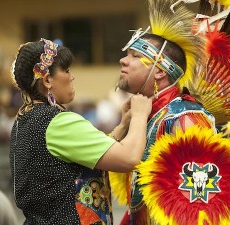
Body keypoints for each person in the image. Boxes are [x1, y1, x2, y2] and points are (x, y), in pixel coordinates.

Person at [9, 38, 152, 224]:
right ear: (47, 80)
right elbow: (129, 158)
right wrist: (140, 115)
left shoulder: (24, 120)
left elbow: (90, 155)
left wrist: (123, 125)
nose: (72, 77)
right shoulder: (58, 122)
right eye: (66, 70)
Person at [114, 1, 216, 223]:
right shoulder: (146, 115)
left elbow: (200, 203)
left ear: (159, 70)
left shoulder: (186, 118)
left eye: (133, 55)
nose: (123, 60)